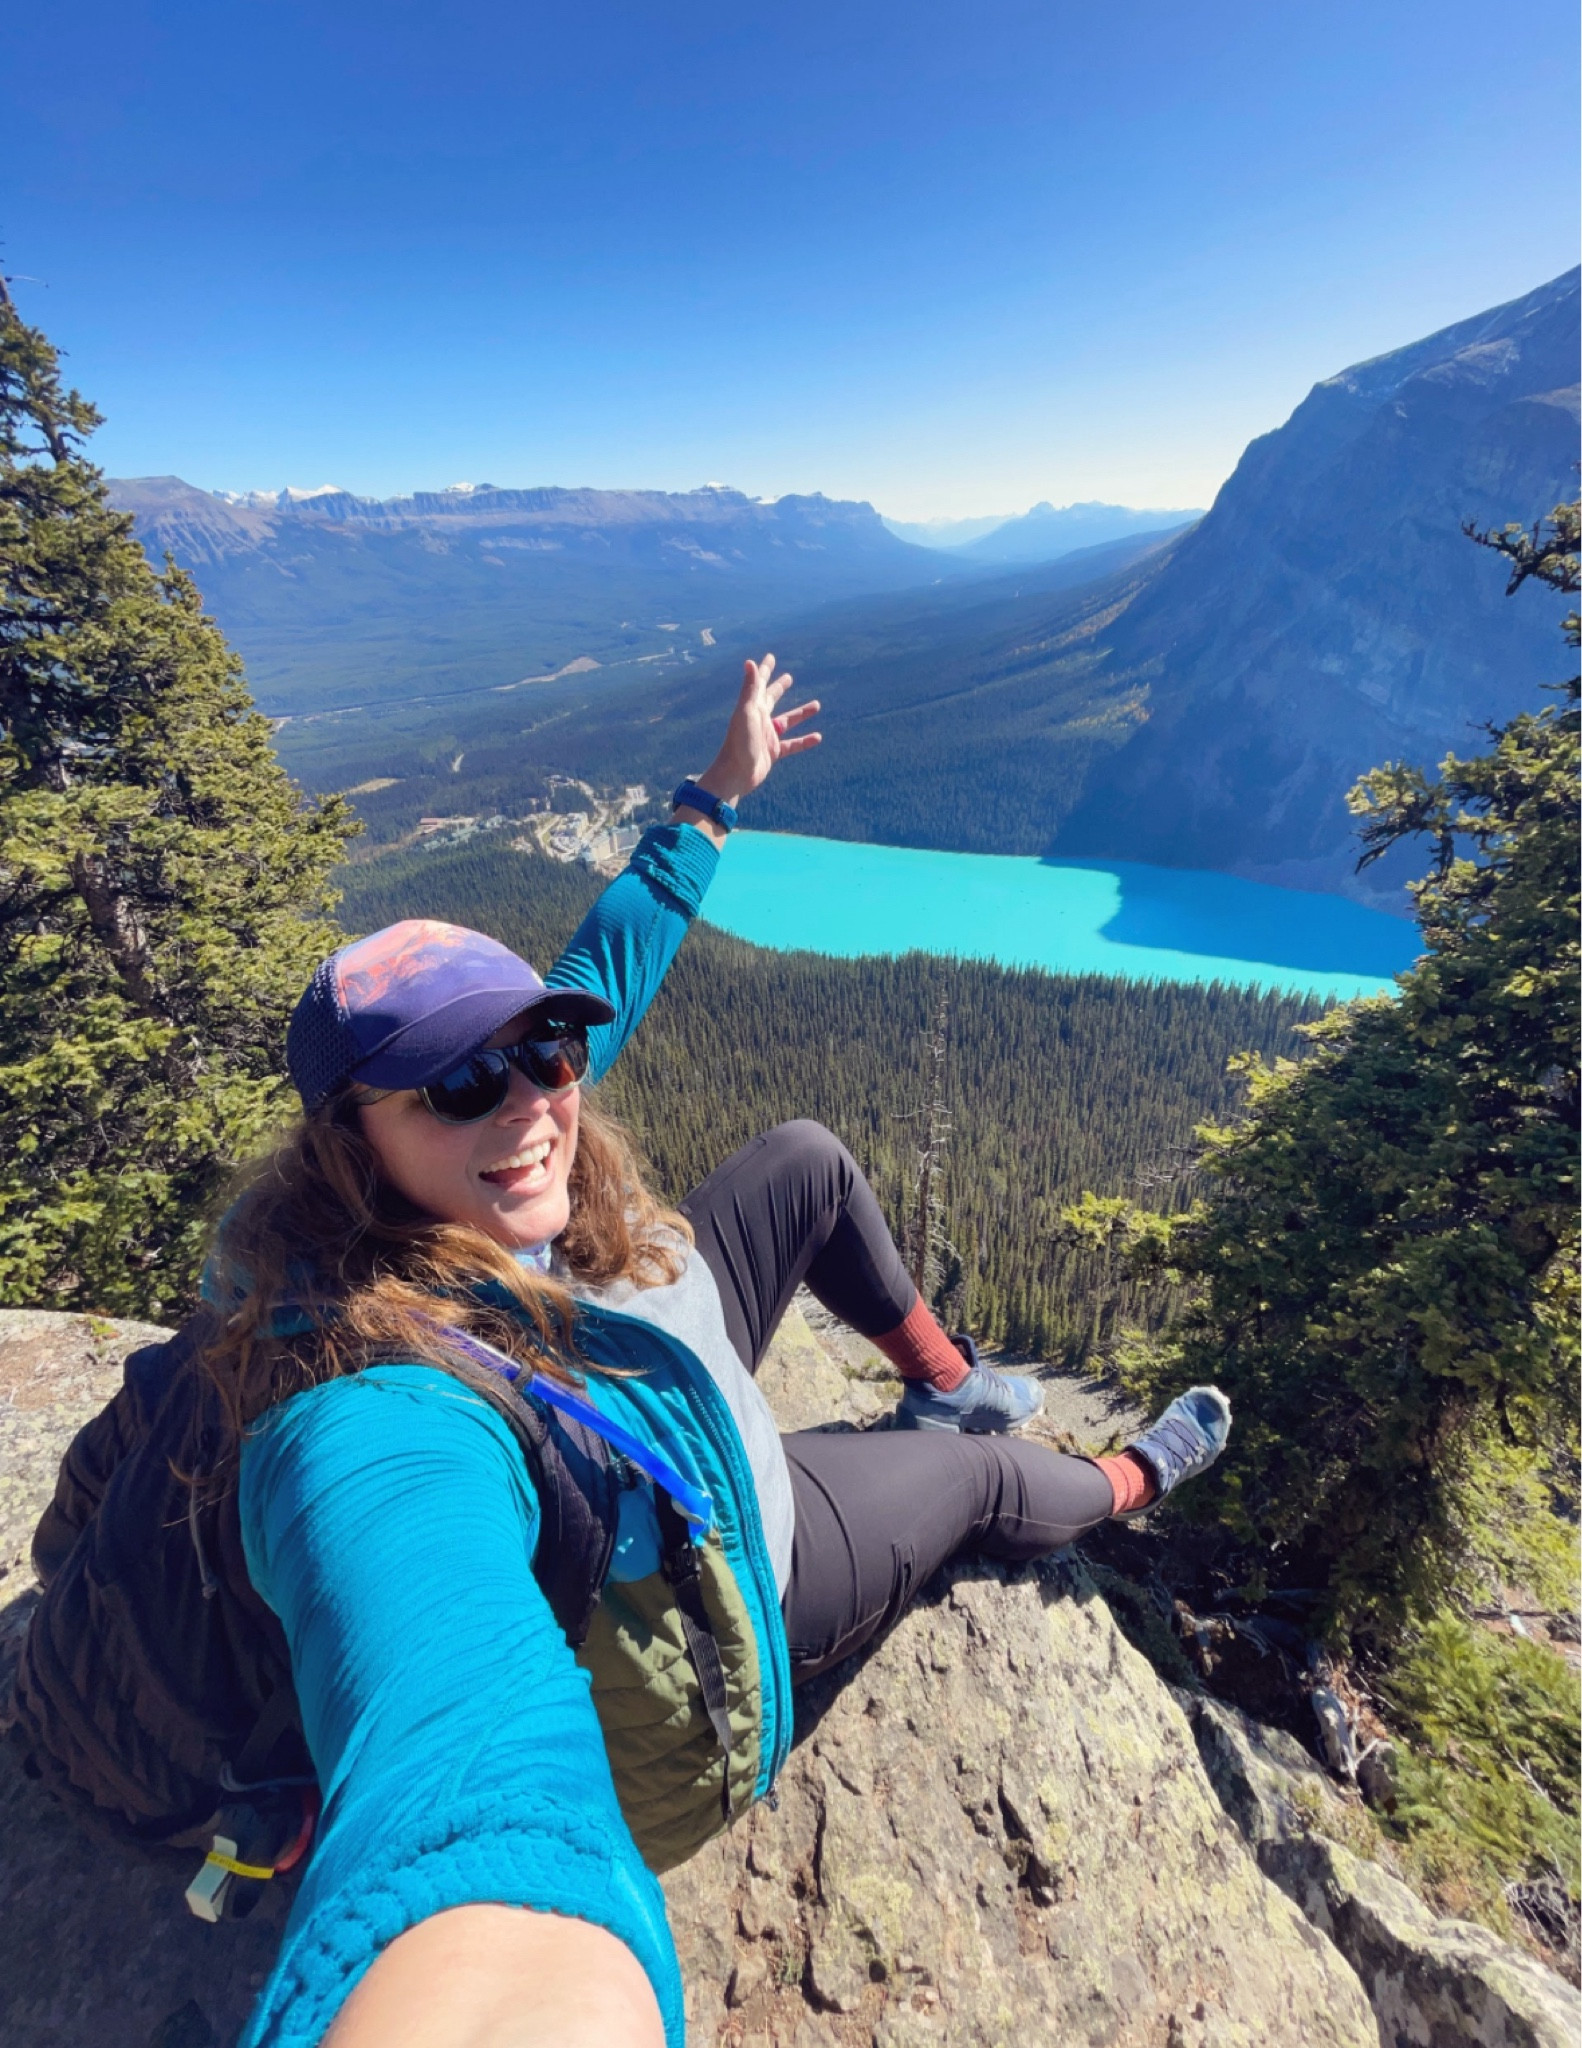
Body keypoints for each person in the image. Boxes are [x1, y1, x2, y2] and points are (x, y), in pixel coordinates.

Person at [18, 656, 1231, 2048]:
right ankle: (1124, 1481)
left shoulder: (452, 1176)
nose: (531, 1105)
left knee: (804, 1163)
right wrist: (491, 1955)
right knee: (982, 1490)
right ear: (349, 1141)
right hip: (712, 1558)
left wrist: (713, 798)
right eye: (462, 1082)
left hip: (634, 1391)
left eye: (543, 1054)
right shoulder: (373, 1401)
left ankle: (948, 1381)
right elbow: (442, 1683)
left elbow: (601, 965)